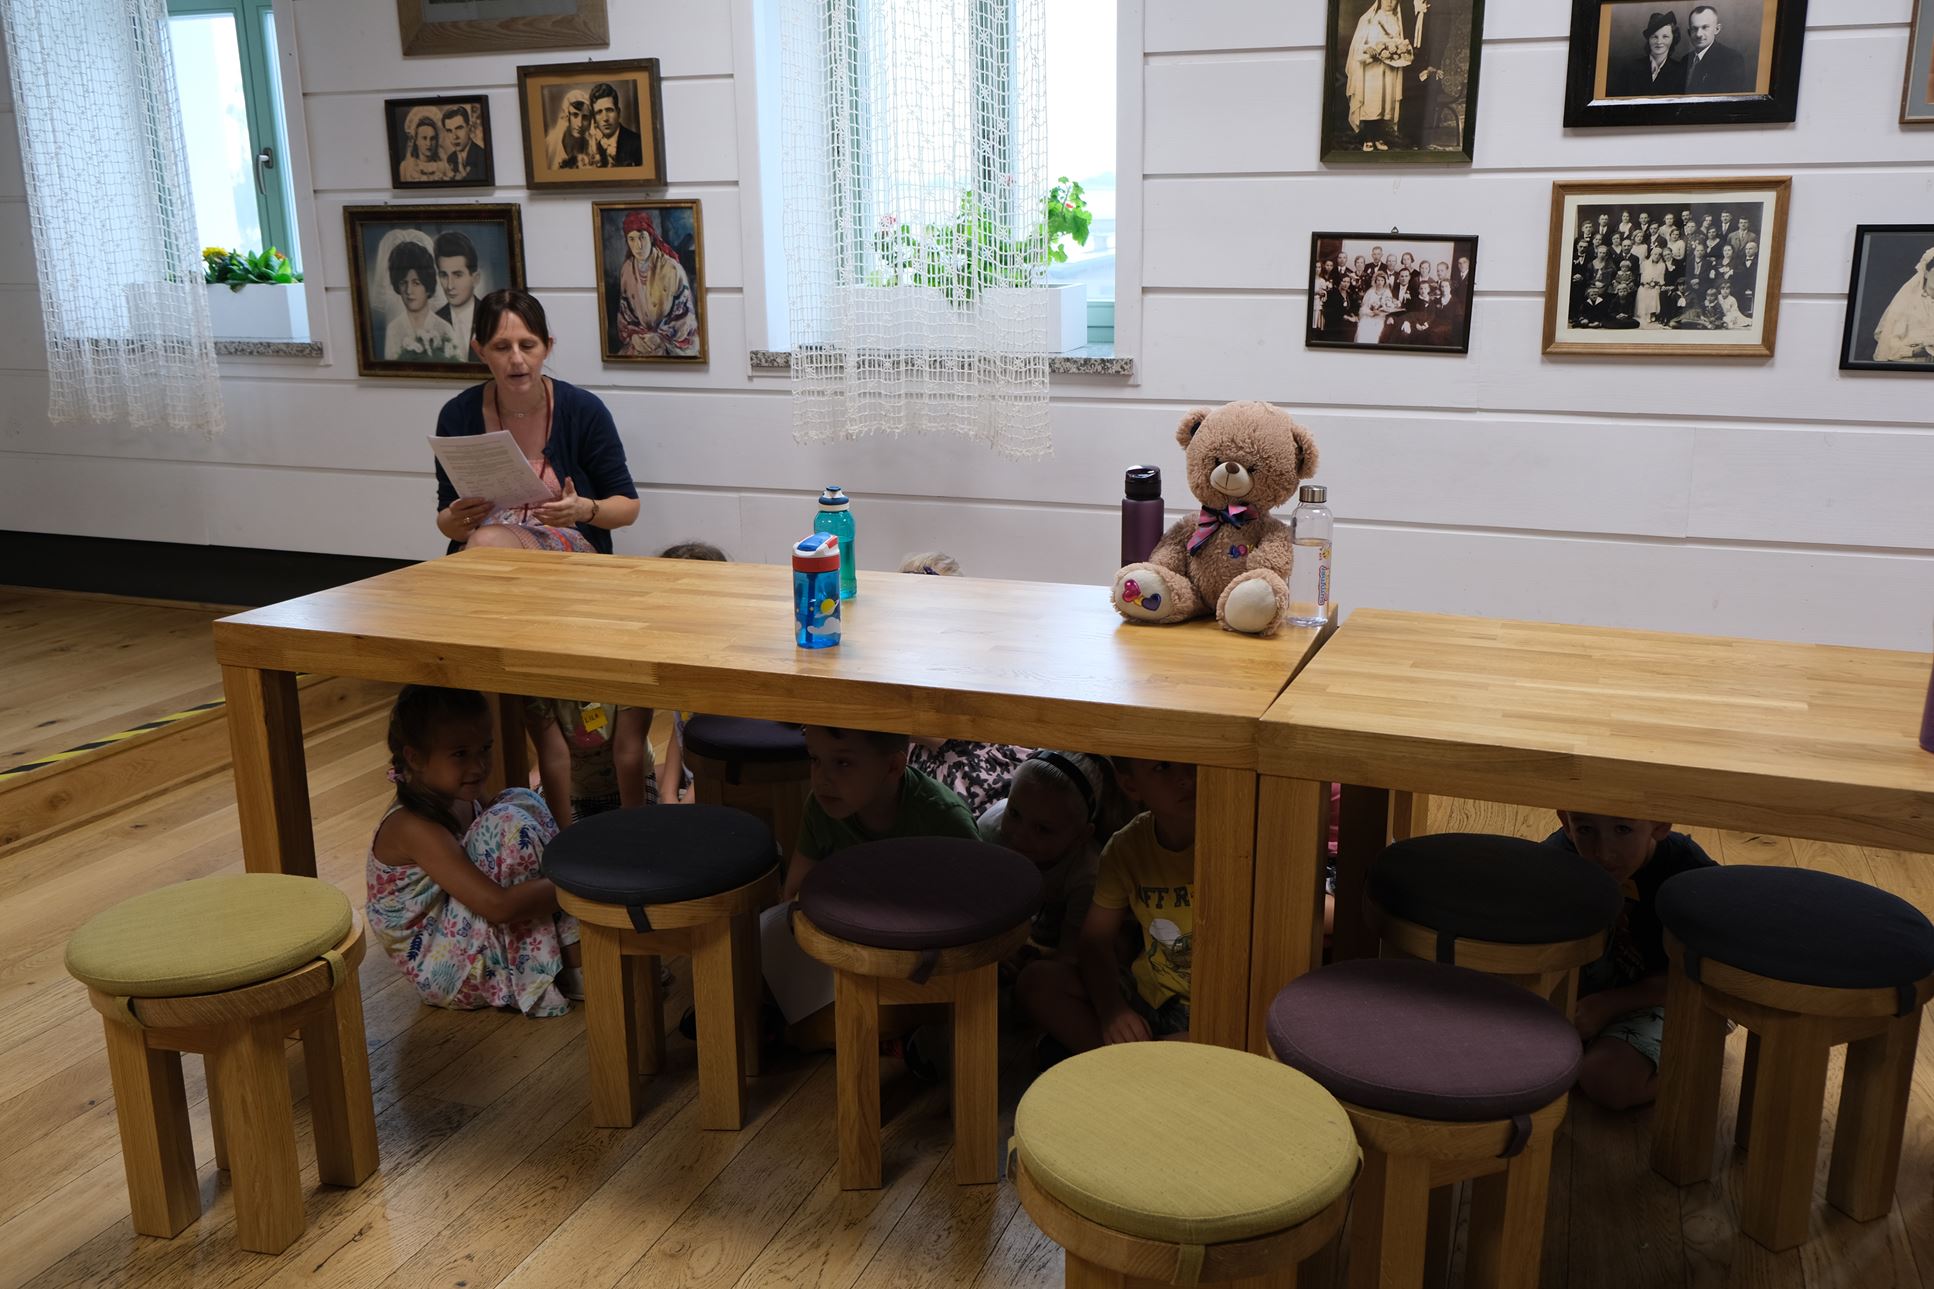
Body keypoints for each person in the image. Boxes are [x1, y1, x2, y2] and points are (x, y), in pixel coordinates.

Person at [367, 685, 583, 1017]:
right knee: (507, 822)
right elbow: (498, 906)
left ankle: (569, 951)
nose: (479, 765)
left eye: (485, 748)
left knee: (519, 799)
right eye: (460, 754)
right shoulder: (412, 825)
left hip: (467, 934)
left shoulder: (458, 795)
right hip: (449, 971)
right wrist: (580, 884)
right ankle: (574, 959)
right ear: (415, 758)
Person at [434, 289, 640, 555]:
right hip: (480, 547)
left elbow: (628, 507)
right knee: (482, 544)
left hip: (565, 547)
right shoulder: (458, 414)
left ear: (547, 347)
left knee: (486, 543)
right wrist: (457, 518)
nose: (517, 359)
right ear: (480, 351)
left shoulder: (583, 409)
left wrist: (583, 509)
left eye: (528, 346)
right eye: (501, 347)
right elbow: (447, 520)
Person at [1014, 758, 1197, 1055]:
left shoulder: (1233, 843)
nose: (1188, 777)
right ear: (1131, 786)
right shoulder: (1127, 847)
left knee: (1237, 1038)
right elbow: (1094, 942)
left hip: (1214, 1011)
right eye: (1163, 767)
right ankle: (1136, 1062)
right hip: (1148, 995)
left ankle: (1120, 1064)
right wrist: (1112, 1010)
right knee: (1036, 983)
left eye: (1194, 762)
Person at [1545, 812, 1717, 1109]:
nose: (1603, 852)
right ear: (1566, 823)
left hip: (1668, 995)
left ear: (1660, 824)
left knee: (1606, 1079)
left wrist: (1608, 1005)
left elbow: (1702, 976)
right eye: (1585, 829)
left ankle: (1698, 1053)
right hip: (1586, 990)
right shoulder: (1557, 860)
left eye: (1623, 829)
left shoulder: (1689, 873)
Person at [783, 726, 980, 900]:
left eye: (843, 763)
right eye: (815, 759)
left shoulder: (946, 820)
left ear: (893, 766)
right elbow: (794, 894)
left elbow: (977, 905)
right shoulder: (822, 806)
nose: (820, 779)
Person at [527, 697, 654, 828]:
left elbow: (628, 754)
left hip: (632, 784)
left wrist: (633, 826)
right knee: (551, 833)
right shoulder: (538, 693)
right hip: (572, 791)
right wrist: (564, 834)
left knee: (634, 832)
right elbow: (554, 758)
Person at [614, 211, 700, 359]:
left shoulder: (672, 269)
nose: (638, 246)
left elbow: (685, 317)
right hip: (641, 341)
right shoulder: (626, 270)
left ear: (651, 237)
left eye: (642, 237)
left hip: (672, 342)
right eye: (631, 239)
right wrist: (634, 336)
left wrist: (660, 337)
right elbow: (625, 315)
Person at [381, 238, 461, 363]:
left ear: (427, 285)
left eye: (416, 283)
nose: (408, 291)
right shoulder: (393, 330)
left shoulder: (444, 329)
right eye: (403, 283)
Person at [1345, 0, 1410, 152]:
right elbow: (1358, 45)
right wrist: (1368, 49)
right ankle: (1368, 138)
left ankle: (1379, 137)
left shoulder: (1397, 20)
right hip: (1371, 69)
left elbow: (1401, 44)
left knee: (1385, 103)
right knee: (1371, 103)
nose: (1390, 2)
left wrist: (1400, 51)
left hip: (1389, 68)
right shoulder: (1369, 19)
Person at [1870, 246, 1934, 363]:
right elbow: (1887, 347)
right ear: (1925, 272)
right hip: (1910, 367)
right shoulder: (1908, 303)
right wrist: (1915, 351)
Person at [1683, 4, 1752, 94]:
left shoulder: (1731, 59)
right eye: (1694, 28)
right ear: (1689, 32)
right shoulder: (1685, 60)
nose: (1699, 34)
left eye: (1705, 27)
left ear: (1717, 29)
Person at [433, 231, 481, 347]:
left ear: (475, 278)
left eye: (458, 275)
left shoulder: (492, 317)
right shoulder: (433, 322)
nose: (449, 286)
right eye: (444, 275)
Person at [588, 81, 645, 168]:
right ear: (594, 118)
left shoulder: (638, 143)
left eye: (609, 110)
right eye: (599, 112)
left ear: (618, 112)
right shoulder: (591, 147)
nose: (605, 118)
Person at [544, 88, 597, 170]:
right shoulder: (550, 145)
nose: (579, 124)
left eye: (585, 117)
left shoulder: (591, 148)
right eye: (575, 115)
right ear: (567, 116)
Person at [397, 112, 451, 184]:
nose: (429, 143)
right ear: (416, 140)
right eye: (424, 138)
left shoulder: (444, 167)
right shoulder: (405, 167)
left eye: (432, 138)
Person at [441, 104, 488, 182]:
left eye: (459, 128)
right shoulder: (450, 158)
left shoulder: (483, 156)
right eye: (449, 131)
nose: (454, 136)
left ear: (469, 128)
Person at [1356, 268, 1400, 344]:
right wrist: (1371, 312)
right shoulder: (1370, 291)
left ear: (1385, 281)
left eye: (1382, 280)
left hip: (1380, 316)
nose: (1380, 282)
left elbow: (1389, 306)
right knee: (1363, 327)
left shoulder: (1387, 292)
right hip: (1369, 315)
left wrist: (1380, 311)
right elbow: (1365, 306)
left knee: (1376, 331)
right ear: (1375, 281)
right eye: (1378, 280)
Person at [1637, 244, 1666, 326]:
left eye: (1659, 255)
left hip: (1656, 285)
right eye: (1655, 254)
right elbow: (1642, 276)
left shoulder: (1662, 265)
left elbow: (1661, 278)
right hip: (1645, 284)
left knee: (1654, 292)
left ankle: (1652, 313)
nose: (1657, 256)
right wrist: (1645, 283)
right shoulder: (1645, 264)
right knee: (1644, 291)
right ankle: (1647, 314)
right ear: (1651, 254)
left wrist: (1657, 284)